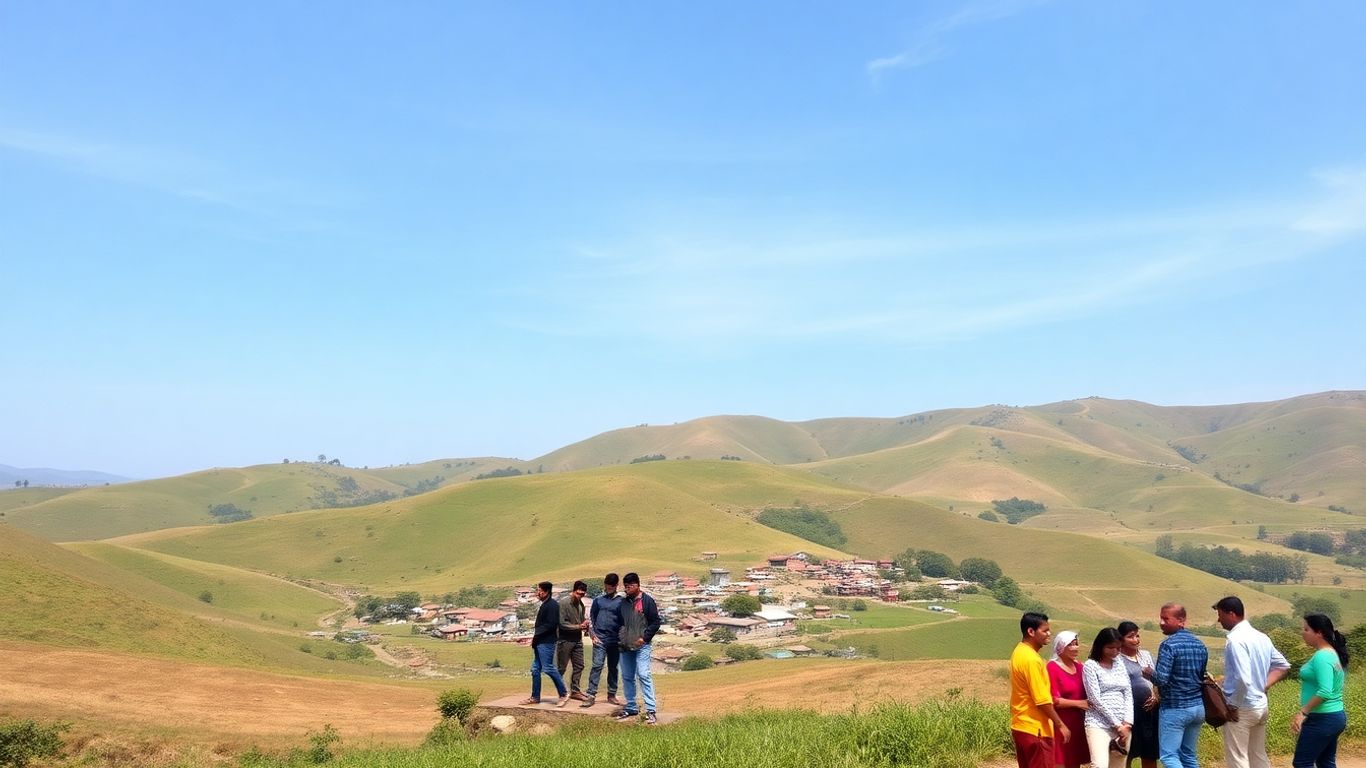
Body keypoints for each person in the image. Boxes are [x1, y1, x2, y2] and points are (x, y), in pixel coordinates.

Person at [1214, 596, 1291, 768]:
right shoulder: (1261, 637)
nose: (1219, 620)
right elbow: (1282, 666)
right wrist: (1262, 687)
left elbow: (1243, 678)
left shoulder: (1235, 640)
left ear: (1231, 614)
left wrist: (1233, 705)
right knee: (1258, 756)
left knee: (1238, 759)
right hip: (1260, 705)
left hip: (1242, 708)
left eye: (1220, 615)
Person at [1010, 611, 1071, 768]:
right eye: (1045, 631)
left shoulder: (1019, 651)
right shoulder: (1032, 660)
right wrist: (1060, 725)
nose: (1049, 634)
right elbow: (1042, 700)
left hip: (1020, 725)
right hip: (1036, 728)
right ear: (1031, 631)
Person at [1152, 602, 1208, 768]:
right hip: (1197, 707)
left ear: (1181, 620)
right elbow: (1202, 676)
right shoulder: (1200, 644)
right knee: (1189, 756)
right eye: (1161, 618)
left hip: (1175, 707)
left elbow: (1161, 679)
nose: (1161, 622)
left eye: (1165, 619)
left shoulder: (1168, 645)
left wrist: (1149, 673)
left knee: (1169, 757)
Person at [1292, 613, 1349, 768]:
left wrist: (1302, 713)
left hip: (1322, 718)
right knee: (1325, 763)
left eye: (1306, 629)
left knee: (1302, 763)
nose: (1303, 633)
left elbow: (1325, 691)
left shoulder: (1322, 657)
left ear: (1319, 633)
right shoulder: (1331, 654)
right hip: (1333, 716)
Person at [614, 572, 661, 725]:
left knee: (643, 674)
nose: (626, 589)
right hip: (625, 645)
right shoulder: (623, 602)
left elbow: (655, 622)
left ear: (637, 585)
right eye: (625, 586)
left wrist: (644, 638)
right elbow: (619, 622)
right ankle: (631, 707)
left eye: (629, 586)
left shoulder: (647, 601)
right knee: (627, 676)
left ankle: (651, 710)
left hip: (642, 645)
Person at [1083, 627, 1134, 768]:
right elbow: (1094, 698)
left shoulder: (1119, 663)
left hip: (1123, 725)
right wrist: (1117, 724)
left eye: (1118, 648)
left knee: (1118, 764)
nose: (1115, 651)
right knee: (1099, 764)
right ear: (1101, 646)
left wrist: (1127, 723)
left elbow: (1128, 692)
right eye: (1111, 648)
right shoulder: (1091, 666)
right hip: (1098, 723)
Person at [1117, 620, 1160, 768]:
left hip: (1150, 712)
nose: (1136, 640)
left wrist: (1156, 696)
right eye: (1131, 636)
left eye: (1137, 635)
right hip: (1129, 713)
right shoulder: (1118, 660)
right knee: (1127, 753)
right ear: (1121, 639)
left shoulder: (1146, 655)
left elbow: (1158, 678)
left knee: (1149, 753)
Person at [520, 581, 568, 707]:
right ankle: (535, 697)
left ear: (546, 592)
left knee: (548, 668)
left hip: (546, 642)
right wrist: (534, 639)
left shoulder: (552, 605)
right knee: (535, 669)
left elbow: (550, 625)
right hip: (540, 641)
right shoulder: (545, 604)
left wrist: (535, 636)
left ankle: (563, 693)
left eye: (539, 591)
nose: (537, 593)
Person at [1046, 630, 1090, 768]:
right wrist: (1079, 703)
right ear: (1061, 647)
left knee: (1075, 762)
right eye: (1070, 645)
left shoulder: (1080, 667)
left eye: (1076, 644)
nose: (1075, 648)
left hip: (1078, 722)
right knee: (1060, 761)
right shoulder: (1052, 667)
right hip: (1061, 722)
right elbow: (1054, 700)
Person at [581, 572, 624, 708]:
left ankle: (611, 694)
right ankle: (591, 695)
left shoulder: (621, 601)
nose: (609, 589)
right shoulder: (598, 601)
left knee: (613, 667)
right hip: (599, 639)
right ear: (605, 585)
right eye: (607, 586)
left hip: (614, 640)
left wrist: (621, 638)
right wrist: (592, 635)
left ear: (616, 586)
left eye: (612, 587)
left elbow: (624, 621)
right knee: (597, 666)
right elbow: (592, 619)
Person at [556, 579, 590, 700]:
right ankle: (561, 692)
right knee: (561, 668)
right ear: (573, 591)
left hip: (577, 639)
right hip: (565, 640)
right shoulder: (563, 603)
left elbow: (580, 620)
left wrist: (585, 625)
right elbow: (561, 623)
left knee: (579, 665)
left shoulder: (581, 605)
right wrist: (579, 626)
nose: (580, 596)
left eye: (582, 594)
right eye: (578, 593)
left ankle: (575, 691)